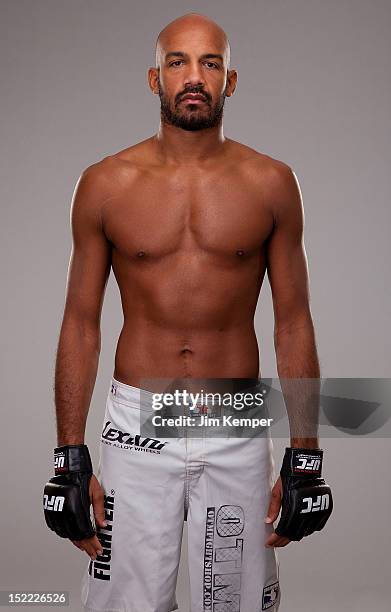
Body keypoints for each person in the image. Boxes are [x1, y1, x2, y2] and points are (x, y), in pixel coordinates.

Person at [43, 12, 332, 612]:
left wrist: (306, 456)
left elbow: (293, 322)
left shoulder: (272, 182)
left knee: (234, 603)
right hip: (136, 426)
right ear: (155, 78)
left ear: (231, 80)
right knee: (123, 605)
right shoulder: (105, 183)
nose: (194, 76)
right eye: (178, 62)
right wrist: (69, 457)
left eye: (210, 63)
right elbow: (80, 323)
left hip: (232, 417)